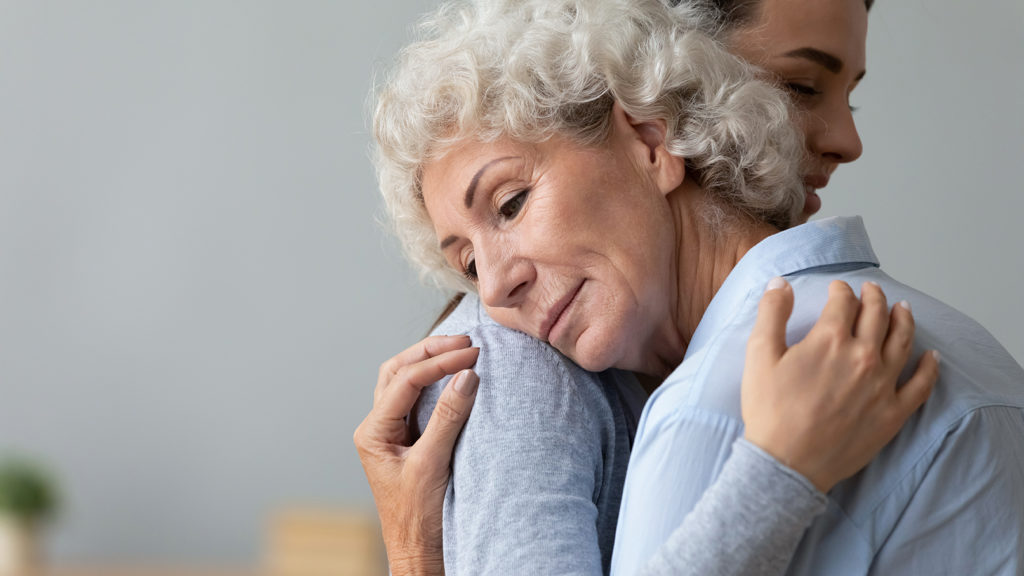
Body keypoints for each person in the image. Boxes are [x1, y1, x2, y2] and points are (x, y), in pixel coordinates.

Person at [354, 0, 1013, 574]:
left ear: (650, 140)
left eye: (511, 203)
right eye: (466, 263)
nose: (496, 286)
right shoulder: (506, 368)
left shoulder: (723, 391)